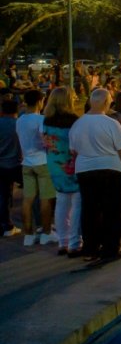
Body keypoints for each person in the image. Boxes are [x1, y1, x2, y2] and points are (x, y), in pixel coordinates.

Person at [69, 88, 121, 263]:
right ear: (106, 102)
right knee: (113, 210)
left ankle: (90, 248)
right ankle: (110, 247)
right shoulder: (111, 124)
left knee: (90, 209)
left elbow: (73, 150)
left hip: (85, 170)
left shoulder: (78, 124)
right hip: (110, 168)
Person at [42, 87, 82, 255]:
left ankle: (62, 241)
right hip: (71, 164)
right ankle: (74, 242)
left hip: (54, 164)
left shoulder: (47, 120)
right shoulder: (73, 120)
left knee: (61, 202)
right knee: (77, 203)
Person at [16, 90, 56, 246]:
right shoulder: (41, 119)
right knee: (45, 199)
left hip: (27, 163)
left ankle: (28, 235)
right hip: (42, 161)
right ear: (40, 101)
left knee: (28, 199)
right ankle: (46, 233)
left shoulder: (20, 120)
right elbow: (45, 140)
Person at [0, 99, 21, 238]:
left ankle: (5, 224)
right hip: (17, 164)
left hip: (1, 164)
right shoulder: (18, 124)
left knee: (3, 195)